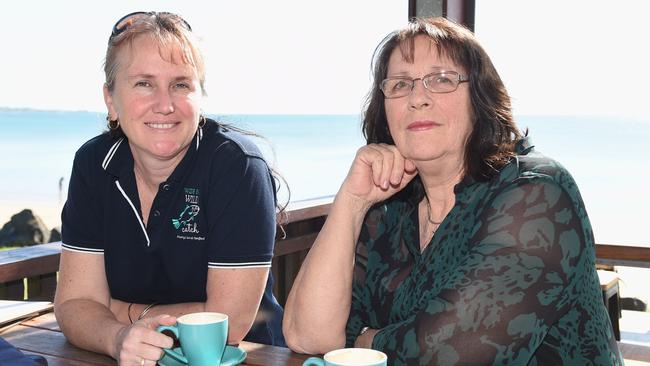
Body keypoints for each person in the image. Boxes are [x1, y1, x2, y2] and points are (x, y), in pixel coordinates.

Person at [283, 17, 622, 365]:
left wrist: (364, 340)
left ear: (480, 98)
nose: (417, 98)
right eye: (400, 84)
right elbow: (306, 335)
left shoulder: (535, 193)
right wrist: (352, 202)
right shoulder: (390, 210)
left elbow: (451, 355)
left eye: (442, 79)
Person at [54, 11, 285, 366]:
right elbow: (72, 305)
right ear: (111, 101)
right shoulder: (94, 165)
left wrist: (121, 311)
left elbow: (228, 322)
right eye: (144, 83)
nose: (165, 104)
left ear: (200, 96)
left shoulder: (237, 167)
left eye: (180, 84)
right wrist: (117, 338)